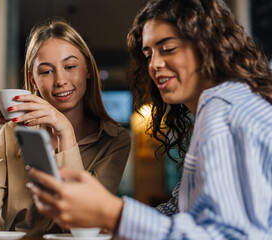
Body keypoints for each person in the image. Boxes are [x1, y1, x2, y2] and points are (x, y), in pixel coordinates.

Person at [26, 0, 272, 239]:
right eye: (148, 53)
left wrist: (115, 214)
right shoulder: (221, 106)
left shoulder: (225, 111)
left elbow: (233, 235)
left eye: (168, 49)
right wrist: (107, 221)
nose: (154, 64)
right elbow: (183, 211)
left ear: (206, 44)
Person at [0, 18, 131, 235]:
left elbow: (83, 230)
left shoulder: (115, 140)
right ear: (33, 80)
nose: (60, 80)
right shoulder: (12, 133)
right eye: (46, 71)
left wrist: (65, 131)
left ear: (88, 70)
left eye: (70, 66)